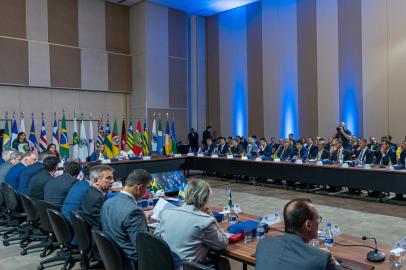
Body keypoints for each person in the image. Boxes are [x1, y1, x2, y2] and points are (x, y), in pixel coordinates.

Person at [155, 180, 229, 268]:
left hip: (166, 264)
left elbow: (156, 237)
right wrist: (213, 218)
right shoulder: (204, 221)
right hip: (187, 267)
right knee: (222, 262)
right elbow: (222, 244)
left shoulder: (167, 213)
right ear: (205, 198)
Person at [256, 199, 340, 270]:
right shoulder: (322, 258)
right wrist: (332, 259)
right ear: (308, 225)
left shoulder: (263, 243)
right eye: (317, 219)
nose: (318, 223)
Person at [101, 169, 151, 269]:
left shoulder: (107, 203)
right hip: (132, 262)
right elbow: (141, 248)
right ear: (140, 187)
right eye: (147, 188)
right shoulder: (134, 212)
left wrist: (141, 222)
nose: (146, 192)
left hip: (113, 258)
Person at [78, 165, 114, 229]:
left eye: (112, 178)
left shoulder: (89, 191)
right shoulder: (98, 199)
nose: (112, 181)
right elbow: (103, 224)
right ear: (96, 181)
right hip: (97, 235)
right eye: (108, 178)